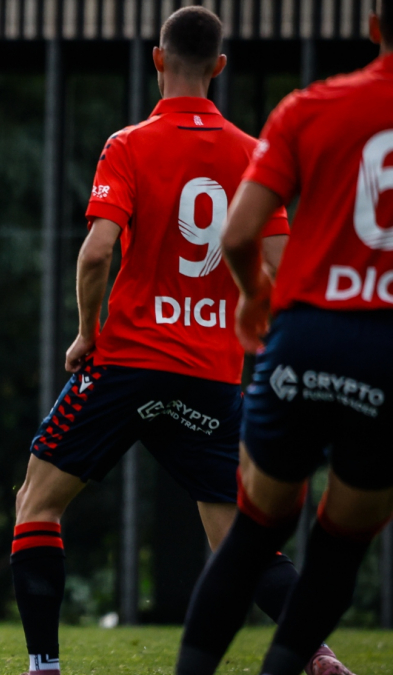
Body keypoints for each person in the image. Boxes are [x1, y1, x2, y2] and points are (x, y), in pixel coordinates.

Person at [9, 7, 348, 675]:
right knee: (239, 541)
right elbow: (282, 268)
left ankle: (45, 667)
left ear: (158, 59)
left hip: (126, 365)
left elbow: (97, 252)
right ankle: (318, 652)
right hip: (210, 375)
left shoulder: (129, 145)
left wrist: (86, 332)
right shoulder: (252, 154)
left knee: (36, 504)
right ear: (219, 66)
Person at [175, 1, 393, 672]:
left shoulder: (309, 107)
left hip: (304, 337)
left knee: (254, 531)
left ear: (374, 27)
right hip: (386, 353)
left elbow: (240, 233)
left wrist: (252, 298)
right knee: (339, 544)